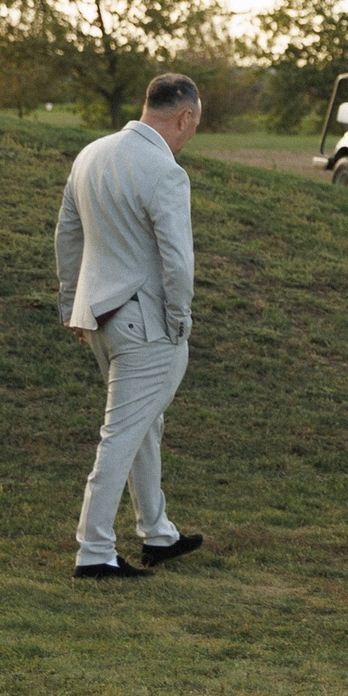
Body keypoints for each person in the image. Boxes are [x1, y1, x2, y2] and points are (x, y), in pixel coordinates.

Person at [54, 72, 207, 580]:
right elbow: (178, 261)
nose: (192, 134)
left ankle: (157, 533)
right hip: (147, 323)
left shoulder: (90, 154)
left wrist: (71, 304)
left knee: (142, 425)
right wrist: (180, 319)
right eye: (195, 125)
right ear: (184, 116)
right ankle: (94, 551)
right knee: (121, 434)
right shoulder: (166, 171)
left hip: (98, 318)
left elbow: (67, 236)